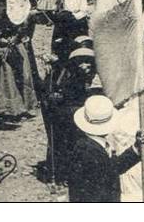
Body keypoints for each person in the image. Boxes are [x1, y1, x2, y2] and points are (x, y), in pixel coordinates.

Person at [66, 95, 144, 202]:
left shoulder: (92, 144)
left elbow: (113, 167)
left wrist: (137, 146)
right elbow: (110, 173)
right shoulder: (89, 151)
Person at [41, 45, 95, 184]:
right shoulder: (71, 79)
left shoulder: (90, 77)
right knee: (65, 146)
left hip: (78, 115)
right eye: (82, 62)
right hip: (68, 117)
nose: (85, 65)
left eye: (88, 61)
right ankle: (63, 175)